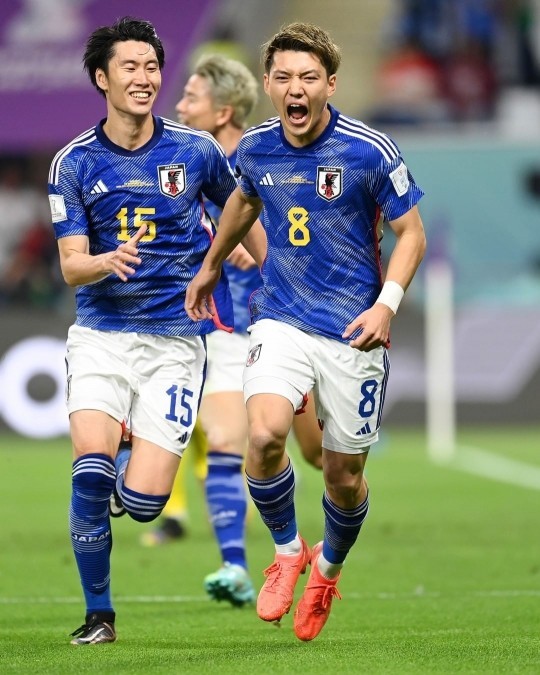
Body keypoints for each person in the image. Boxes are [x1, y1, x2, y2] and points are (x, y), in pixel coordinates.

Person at [185, 22, 426, 642]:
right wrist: (211, 266)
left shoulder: (369, 149)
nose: (297, 88)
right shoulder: (257, 147)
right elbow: (243, 200)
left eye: (309, 78)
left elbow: (412, 234)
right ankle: (288, 551)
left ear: (330, 85)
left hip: (353, 330)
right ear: (268, 85)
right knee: (265, 434)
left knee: (342, 476)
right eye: (285, 77)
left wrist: (387, 307)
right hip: (280, 317)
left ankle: (327, 569)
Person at [47, 17, 254, 645]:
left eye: (152, 67)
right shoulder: (74, 162)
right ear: (101, 78)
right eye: (130, 67)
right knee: (89, 473)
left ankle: (129, 468)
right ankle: (99, 616)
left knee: (143, 504)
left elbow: (243, 204)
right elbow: (70, 266)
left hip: (174, 345)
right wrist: (105, 261)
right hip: (101, 337)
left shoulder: (195, 152)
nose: (144, 78)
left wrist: (255, 262)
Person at [140, 54, 324, 607]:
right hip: (224, 329)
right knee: (225, 441)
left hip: (291, 325)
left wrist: (264, 240)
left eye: (190, 97)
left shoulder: (271, 155)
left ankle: (319, 541)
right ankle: (238, 567)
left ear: (222, 112)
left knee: (322, 456)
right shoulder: (184, 163)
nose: (178, 106)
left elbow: (312, 225)